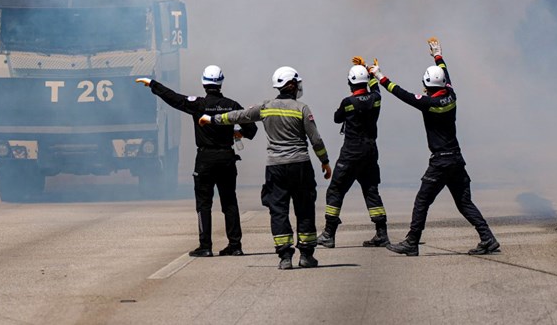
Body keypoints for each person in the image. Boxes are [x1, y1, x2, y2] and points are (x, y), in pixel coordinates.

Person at [369, 37, 499, 256]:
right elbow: (446, 75)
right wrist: (438, 55)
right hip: (456, 159)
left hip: (441, 161)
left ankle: (412, 242)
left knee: (422, 200)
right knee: (464, 202)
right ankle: (487, 237)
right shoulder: (451, 96)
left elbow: (401, 93)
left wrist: (379, 76)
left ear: (428, 86)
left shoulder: (428, 103)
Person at [200, 66, 332, 269]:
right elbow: (316, 139)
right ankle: (306, 255)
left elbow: (238, 116)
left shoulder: (265, 107)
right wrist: (324, 161)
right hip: (300, 166)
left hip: (275, 168)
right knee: (304, 209)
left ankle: (285, 257)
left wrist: (212, 119)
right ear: (291, 85)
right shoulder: (302, 108)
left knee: (278, 210)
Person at [136, 65, 258, 257]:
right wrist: (238, 133)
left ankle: (205, 246)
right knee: (230, 202)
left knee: (204, 204)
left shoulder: (198, 104)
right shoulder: (232, 105)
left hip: (205, 160)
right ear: (221, 82)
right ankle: (235, 245)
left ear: (203, 83)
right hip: (227, 158)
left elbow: (174, 98)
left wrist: (153, 84)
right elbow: (252, 130)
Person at [316, 57, 389, 249]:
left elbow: (336, 118)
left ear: (350, 82)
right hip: (371, 152)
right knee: (371, 191)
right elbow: (376, 89)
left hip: (351, 153)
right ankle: (382, 233)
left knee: (336, 190)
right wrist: (369, 70)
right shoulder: (375, 99)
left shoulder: (348, 102)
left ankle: (329, 234)